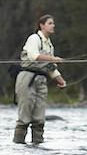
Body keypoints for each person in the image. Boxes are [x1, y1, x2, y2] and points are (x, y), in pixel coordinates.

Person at [14, 14, 66, 144]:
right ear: (41, 25)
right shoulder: (34, 38)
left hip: (41, 80)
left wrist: (60, 80)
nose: (53, 25)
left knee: (39, 118)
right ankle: (18, 146)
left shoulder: (49, 45)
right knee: (25, 116)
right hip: (27, 78)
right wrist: (54, 59)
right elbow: (33, 56)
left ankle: (38, 146)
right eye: (50, 23)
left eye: (53, 23)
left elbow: (50, 68)